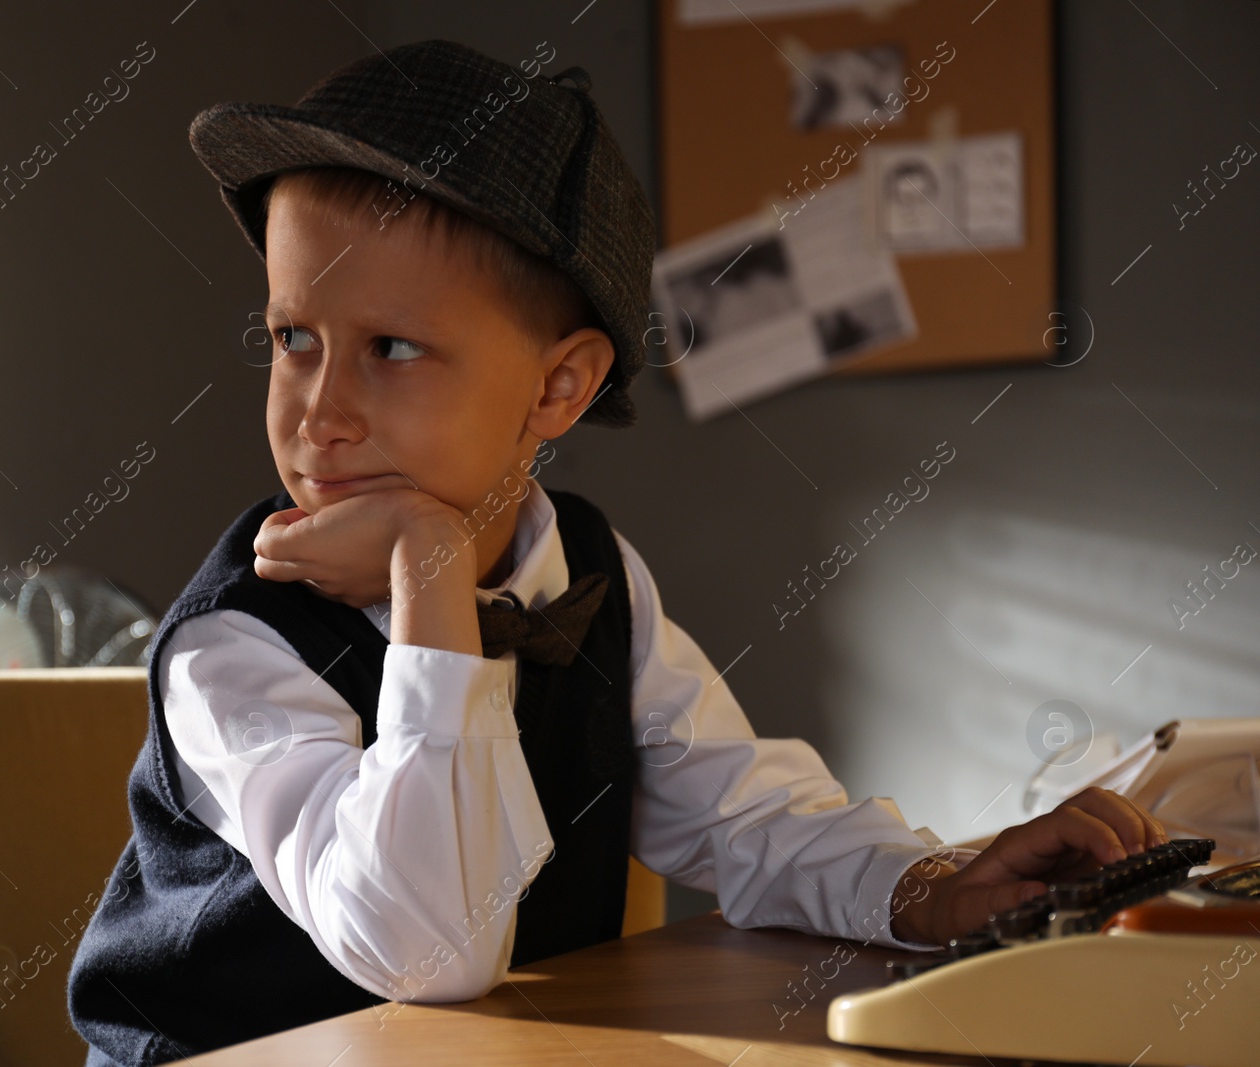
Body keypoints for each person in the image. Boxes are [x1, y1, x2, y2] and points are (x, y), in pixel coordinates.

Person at [66, 39, 1166, 1067]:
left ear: (559, 386)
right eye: (292, 339)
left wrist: (929, 887)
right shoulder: (233, 645)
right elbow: (420, 951)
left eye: (392, 348)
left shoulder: (589, 573)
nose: (319, 414)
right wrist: (430, 572)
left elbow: (744, 815)